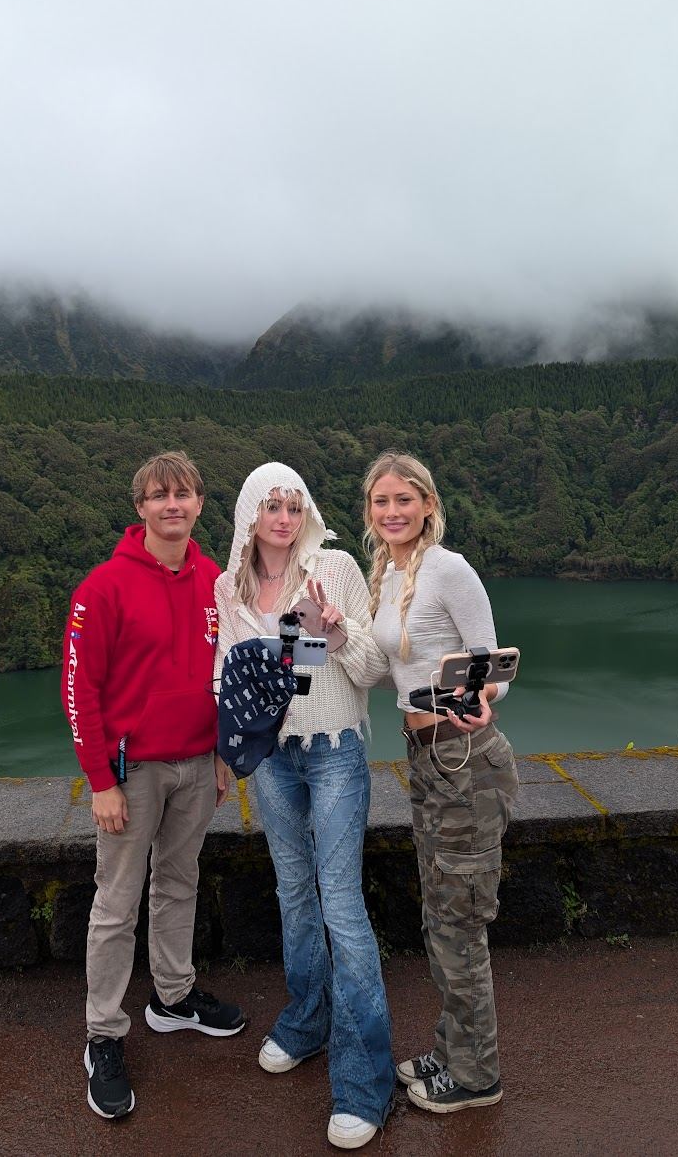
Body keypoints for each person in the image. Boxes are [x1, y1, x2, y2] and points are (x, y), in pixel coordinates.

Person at [215, 462, 395, 1152]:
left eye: (293, 505)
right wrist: (229, 751)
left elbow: (373, 668)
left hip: (334, 751)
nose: (283, 518)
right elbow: (228, 675)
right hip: (272, 760)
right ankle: (307, 1018)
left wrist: (336, 626)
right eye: (270, 506)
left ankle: (363, 1082)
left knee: (339, 904)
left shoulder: (336, 567)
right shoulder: (227, 587)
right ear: (249, 515)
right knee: (293, 892)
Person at [61, 450, 246, 1122]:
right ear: (139, 507)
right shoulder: (102, 587)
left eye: (184, 493)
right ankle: (103, 1034)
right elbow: (79, 689)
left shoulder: (215, 582)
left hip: (198, 765)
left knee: (178, 883)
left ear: (199, 503)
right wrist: (99, 781)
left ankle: (172, 997)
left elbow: (232, 673)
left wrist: (226, 754)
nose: (172, 503)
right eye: (159, 494)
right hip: (131, 771)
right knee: (116, 902)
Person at [362, 451, 518, 1114]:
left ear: (427, 503)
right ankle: (453, 1048)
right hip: (425, 758)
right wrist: (324, 631)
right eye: (380, 502)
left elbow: (495, 668)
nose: (391, 512)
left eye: (404, 499)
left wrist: (484, 694)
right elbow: (380, 673)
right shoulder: (388, 573)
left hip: (464, 758)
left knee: (457, 923)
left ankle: (477, 1077)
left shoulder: (448, 570)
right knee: (439, 916)